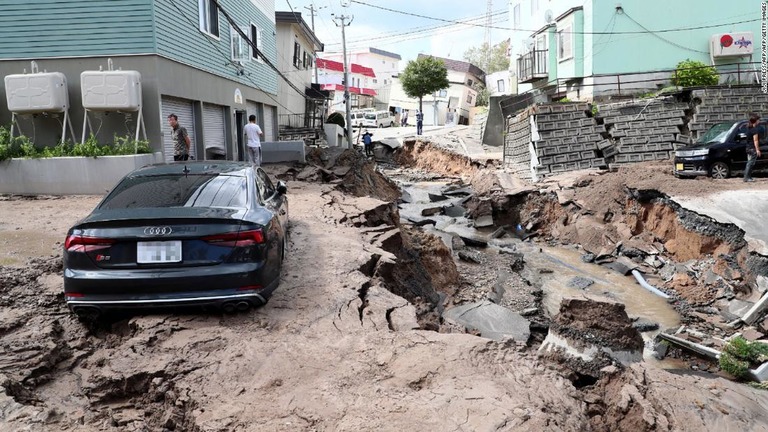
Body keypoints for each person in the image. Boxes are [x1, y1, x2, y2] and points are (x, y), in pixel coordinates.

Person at [744, 112, 764, 182]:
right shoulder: (754, 130)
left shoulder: (748, 128)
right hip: (752, 148)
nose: (759, 121)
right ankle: (747, 177)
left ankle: (748, 176)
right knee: (751, 163)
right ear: (756, 121)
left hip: (748, 147)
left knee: (749, 162)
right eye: (758, 120)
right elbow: (756, 141)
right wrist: (757, 150)